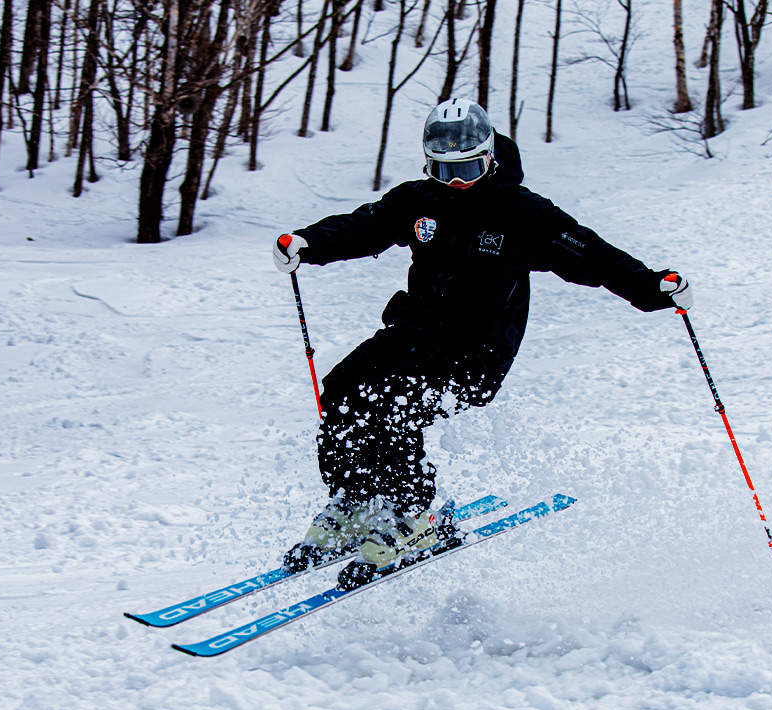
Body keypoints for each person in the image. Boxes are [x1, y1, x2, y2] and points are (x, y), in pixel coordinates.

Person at [272, 98, 692, 589]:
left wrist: (650, 286)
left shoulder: (520, 211)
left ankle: (416, 514)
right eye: (445, 171)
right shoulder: (416, 201)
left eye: (469, 168)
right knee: (342, 388)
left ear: (490, 157)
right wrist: (309, 243)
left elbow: (591, 254)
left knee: (392, 401)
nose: (457, 182)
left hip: (477, 351)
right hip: (417, 331)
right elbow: (363, 226)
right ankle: (357, 501)